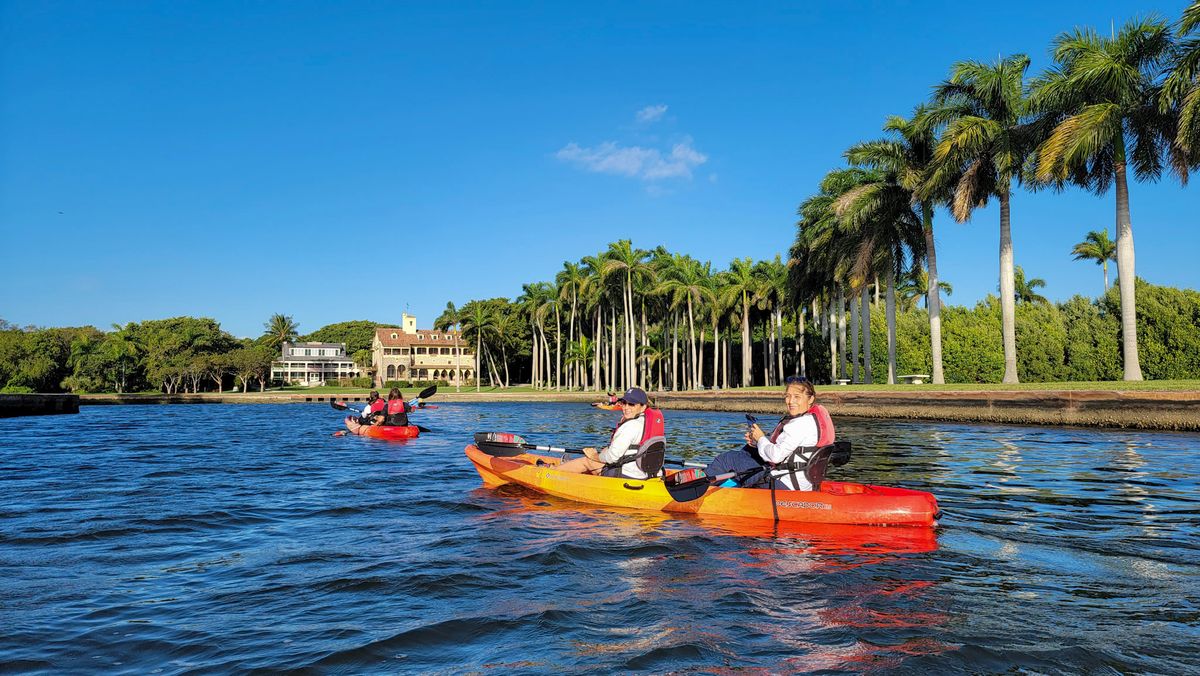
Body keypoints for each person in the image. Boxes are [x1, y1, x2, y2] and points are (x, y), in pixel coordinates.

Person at [704, 376, 832, 490]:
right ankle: (720, 483)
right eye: (788, 396)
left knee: (727, 459)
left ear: (811, 399)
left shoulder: (799, 424)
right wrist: (757, 443)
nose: (790, 401)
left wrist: (760, 438)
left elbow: (775, 457)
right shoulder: (812, 420)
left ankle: (698, 490)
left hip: (784, 484)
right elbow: (790, 451)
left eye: (797, 397)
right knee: (748, 451)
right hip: (804, 483)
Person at [557, 387, 659, 479]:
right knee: (596, 459)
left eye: (632, 404)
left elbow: (612, 458)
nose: (626, 407)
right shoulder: (648, 422)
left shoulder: (630, 426)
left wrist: (594, 456)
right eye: (624, 403)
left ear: (643, 407)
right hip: (645, 473)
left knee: (587, 461)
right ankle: (566, 467)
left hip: (626, 475)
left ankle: (551, 472)